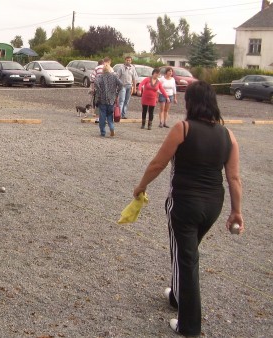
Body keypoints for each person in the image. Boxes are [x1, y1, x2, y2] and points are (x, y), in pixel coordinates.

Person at [132, 81, 243, 337]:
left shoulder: (183, 128)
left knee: (187, 259)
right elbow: (234, 179)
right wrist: (237, 211)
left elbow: (159, 163)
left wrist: (140, 187)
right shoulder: (228, 135)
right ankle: (176, 296)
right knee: (187, 252)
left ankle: (188, 325)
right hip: (213, 206)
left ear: (192, 102)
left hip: (183, 205)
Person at [94, 64, 122, 137]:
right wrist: (116, 92)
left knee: (102, 116)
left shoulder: (100, 77)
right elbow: (121, 84)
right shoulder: (114, 76)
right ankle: (112, 127)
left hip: (102, 99)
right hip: (111, 99)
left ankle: (103, 132)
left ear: (103, 70)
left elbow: (96, 83)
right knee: (110, 115)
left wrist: (99, 91)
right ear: (110, 69)